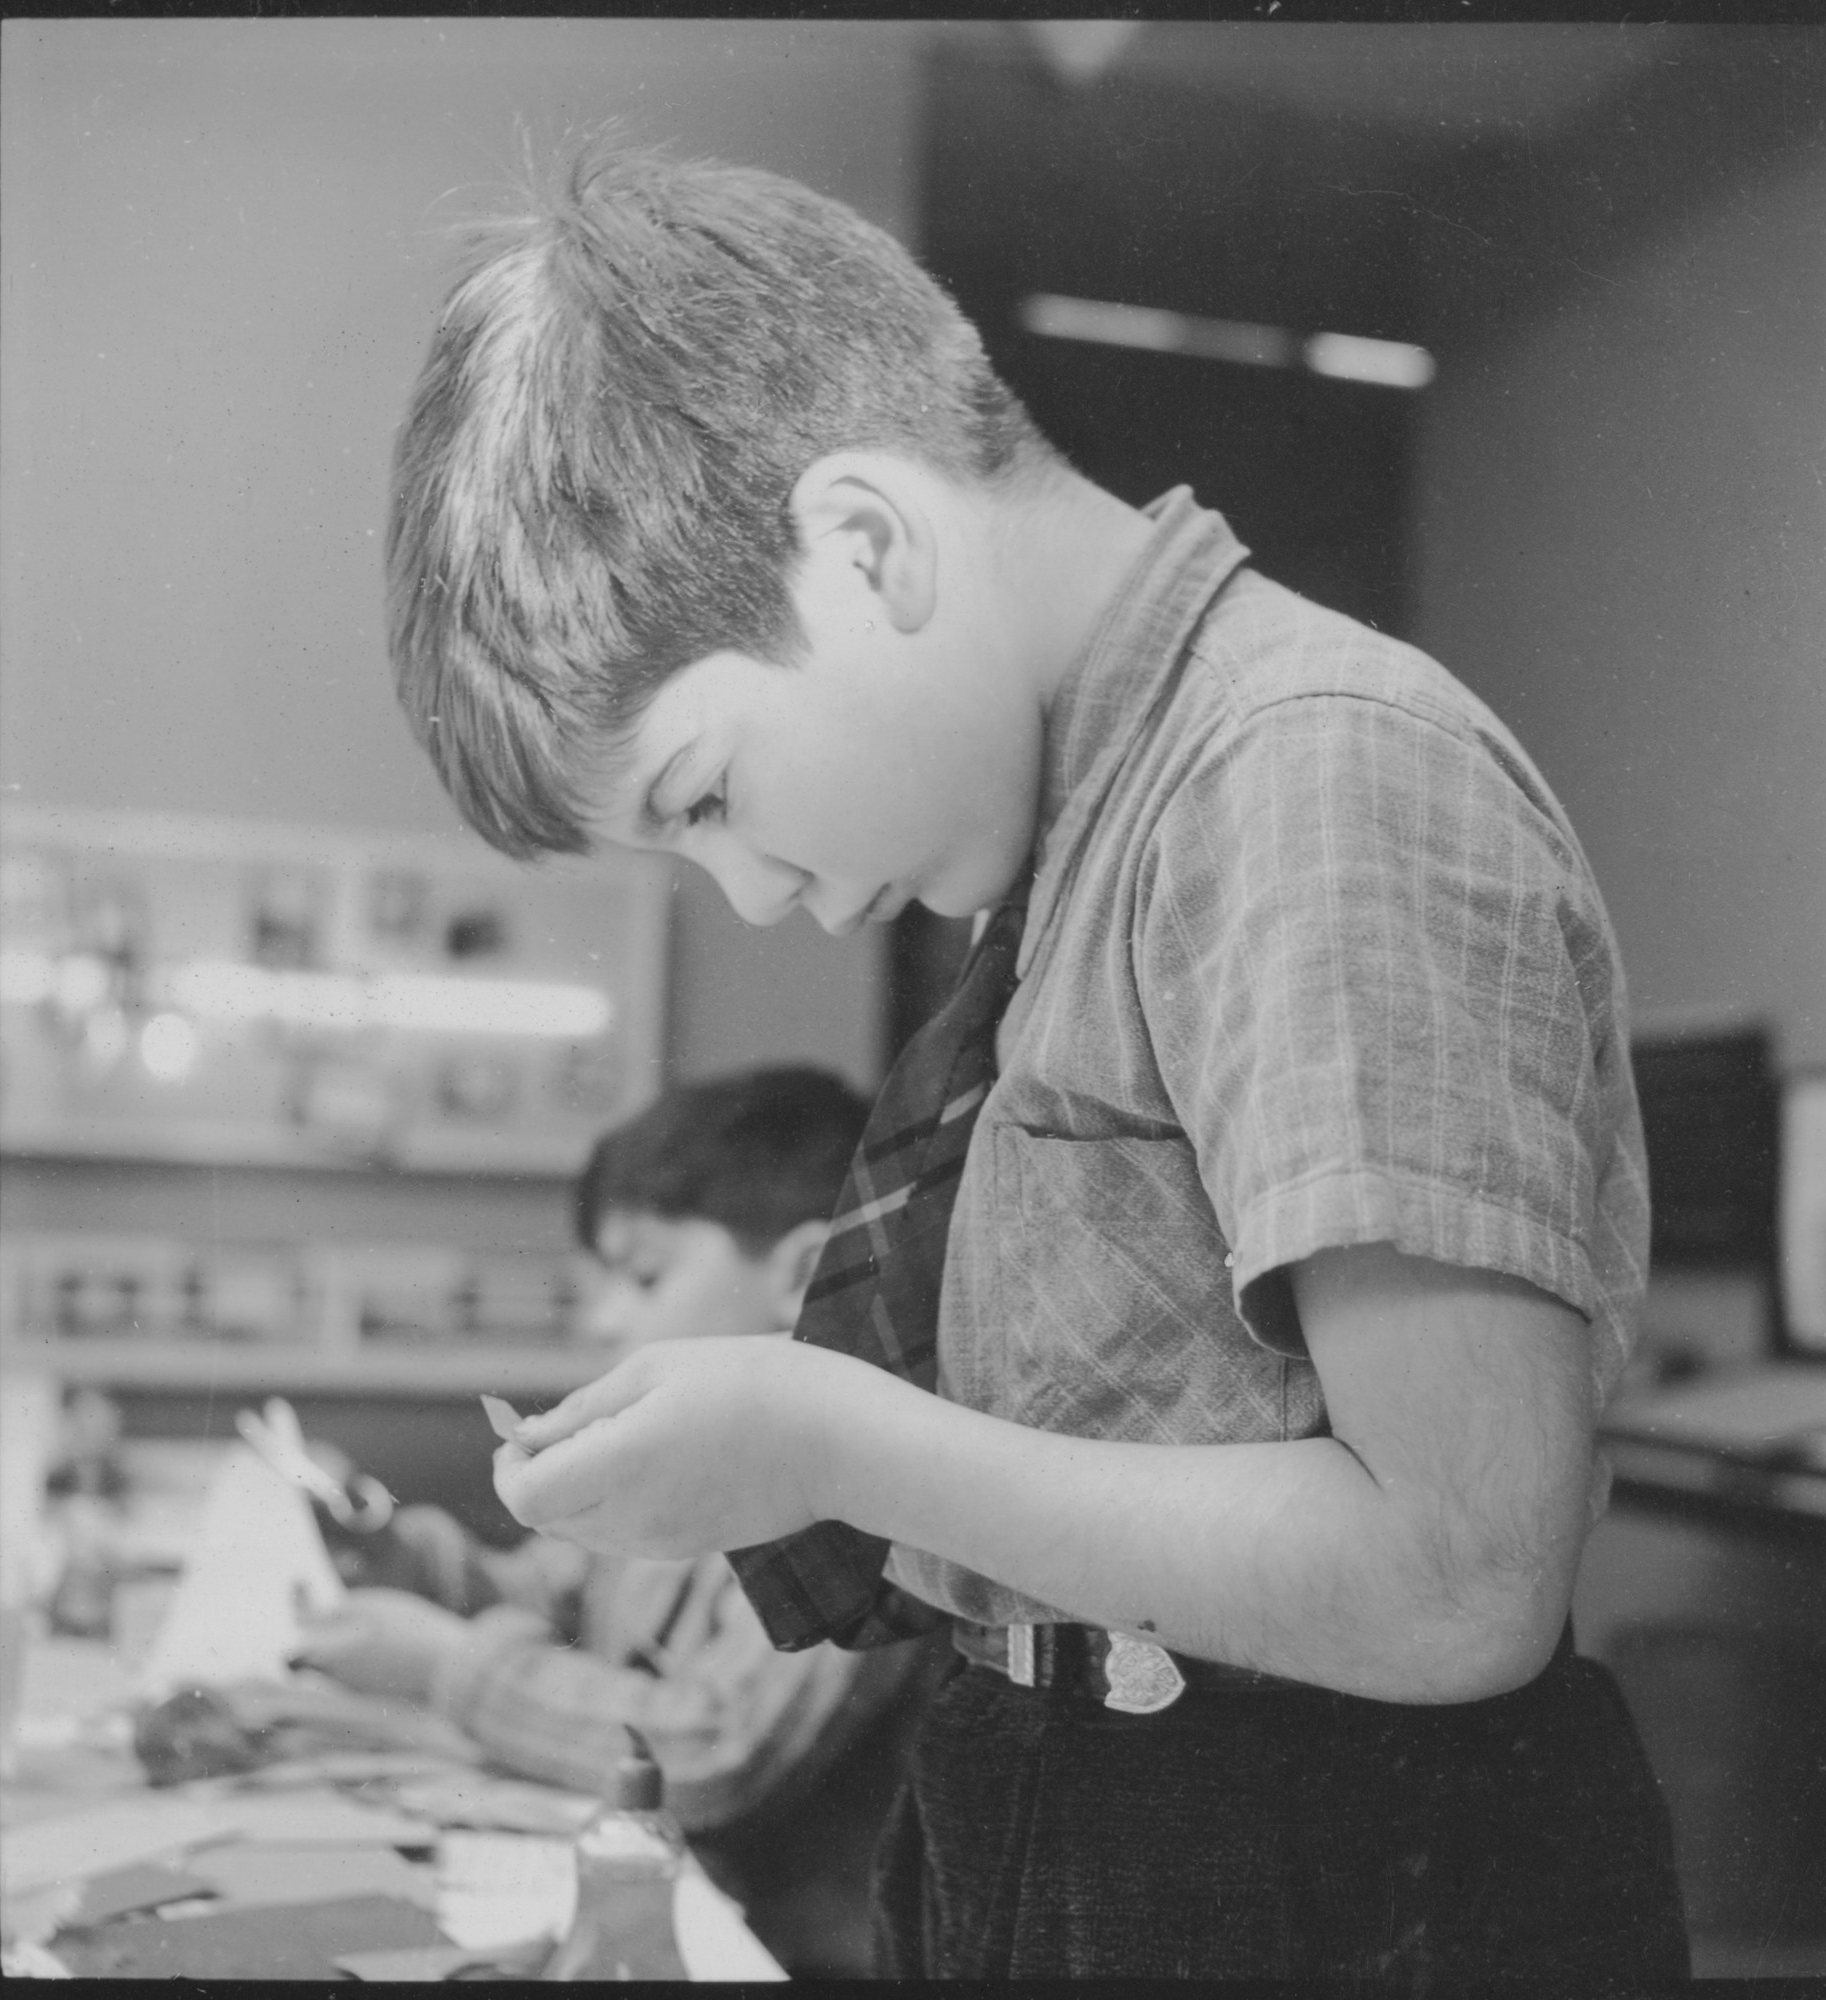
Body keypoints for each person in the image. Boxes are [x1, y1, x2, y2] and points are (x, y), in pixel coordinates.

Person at [379, 135, 1690, 1984]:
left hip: (1312, 1869)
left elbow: (1457, 1575)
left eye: (708, 797)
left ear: (863, 546)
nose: (760, 898)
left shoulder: (1302, 771)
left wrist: (824, 1433)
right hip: (1076, 1812)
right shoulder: (1077, 834)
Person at [294, 1065, 942, 1979]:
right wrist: (400, 1551)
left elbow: (716, 1755)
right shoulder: (680, 1457)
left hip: (773, 1951)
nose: (602, 1317)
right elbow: (557, 1591)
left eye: (642, 1276)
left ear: (800, 1274)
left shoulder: (865, 1493)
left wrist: (447, 1664)